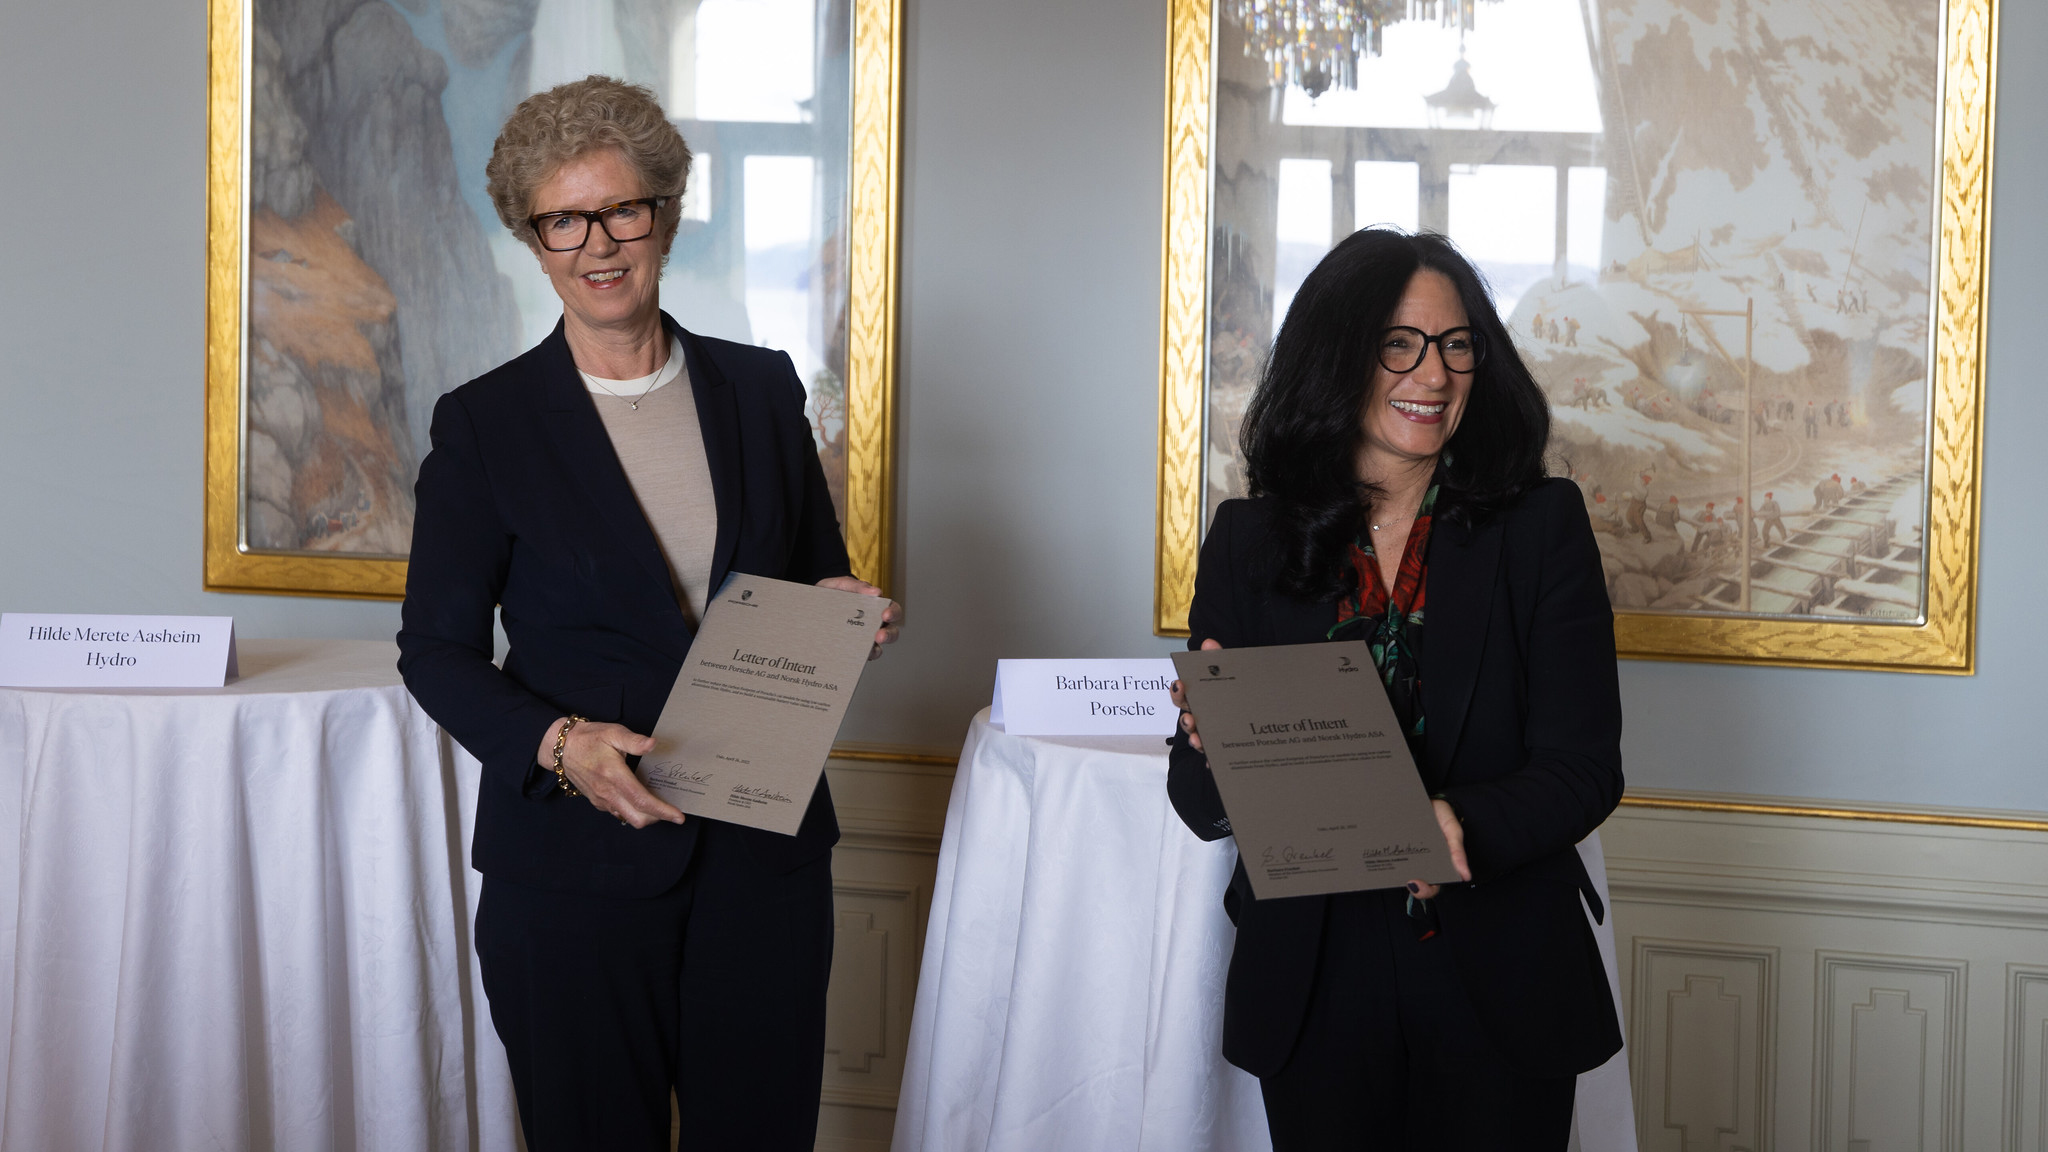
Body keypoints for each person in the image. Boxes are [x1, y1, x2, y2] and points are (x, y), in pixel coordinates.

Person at [395, 77, 901, 1152]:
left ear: (664, 215)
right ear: (532, 239)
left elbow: (814, 576)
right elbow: (434, 651)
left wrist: (842, 614)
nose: (598, 244)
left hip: (762, 860)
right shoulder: (485, 424)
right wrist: (557, 742)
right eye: (564, 220)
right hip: (571, 867)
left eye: (622, 210)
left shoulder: (761, 390)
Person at [1165, 229, 1622, 1151]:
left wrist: (1459, 824)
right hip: (1314, 980)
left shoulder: (1542, 527)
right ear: (1335, 357)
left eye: (1456, 345)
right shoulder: (1249, 541)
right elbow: (1197, 799)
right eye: (1398, 344)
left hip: (1500, 974)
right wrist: (1214, 749)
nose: (1435, 373)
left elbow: (1584, 769)